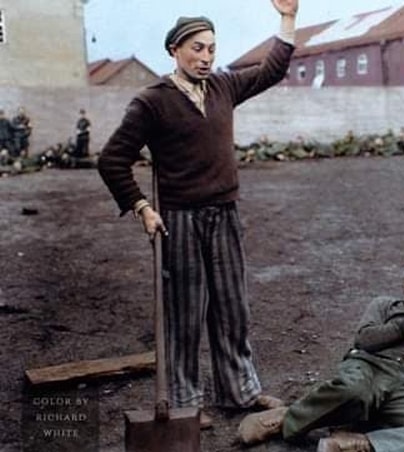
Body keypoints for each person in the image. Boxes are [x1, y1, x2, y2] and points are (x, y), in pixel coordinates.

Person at [97, 0, 299, 428]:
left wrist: (287, 19)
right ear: (174, 50)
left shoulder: (224, 87)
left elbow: (272, 70)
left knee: (232, 307)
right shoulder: (151, 102)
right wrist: (142, 207)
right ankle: (186, 402)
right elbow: (113, 159)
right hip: (180, 219)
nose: (206, 57)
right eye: (196, 49)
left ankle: (240, 392)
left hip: (225, 213)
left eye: (211, 48)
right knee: (186, 313)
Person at [238, 261, 404, 452]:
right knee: (356, 392)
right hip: (371, 367)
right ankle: (285, 419)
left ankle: (358, 444)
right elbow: (365, 340)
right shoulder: (385, 305)